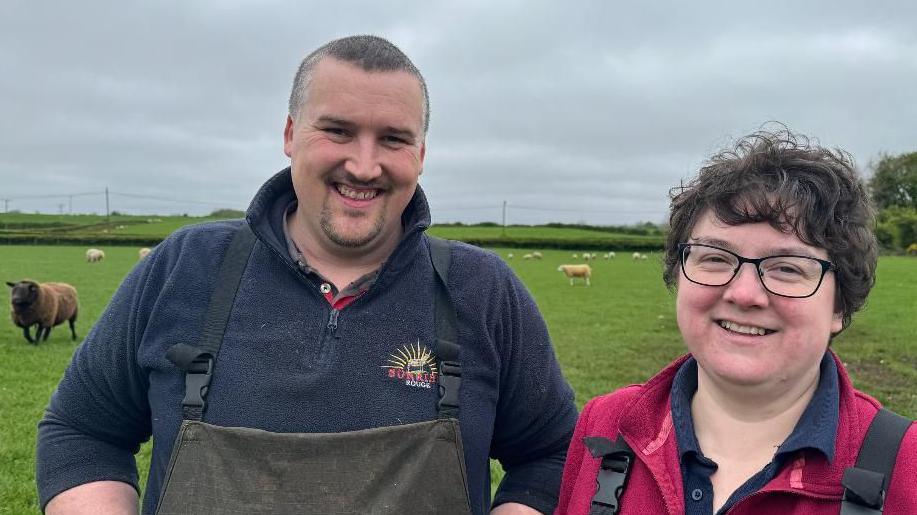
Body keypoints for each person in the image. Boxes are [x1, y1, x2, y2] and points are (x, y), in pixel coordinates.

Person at [37, 35, 576, 515]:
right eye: (338, 131)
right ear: (291, 133)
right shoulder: (186, 266)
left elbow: (552, 454)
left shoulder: (482, 289)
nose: (365, 166)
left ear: (422, 153)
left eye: (393, 139)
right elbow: (83, 430)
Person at [556, 129, 916, 514]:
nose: (744, 293)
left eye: (787, 268)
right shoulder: (605, 423)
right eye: (714, 258)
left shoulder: (906, 467)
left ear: (839, 307)